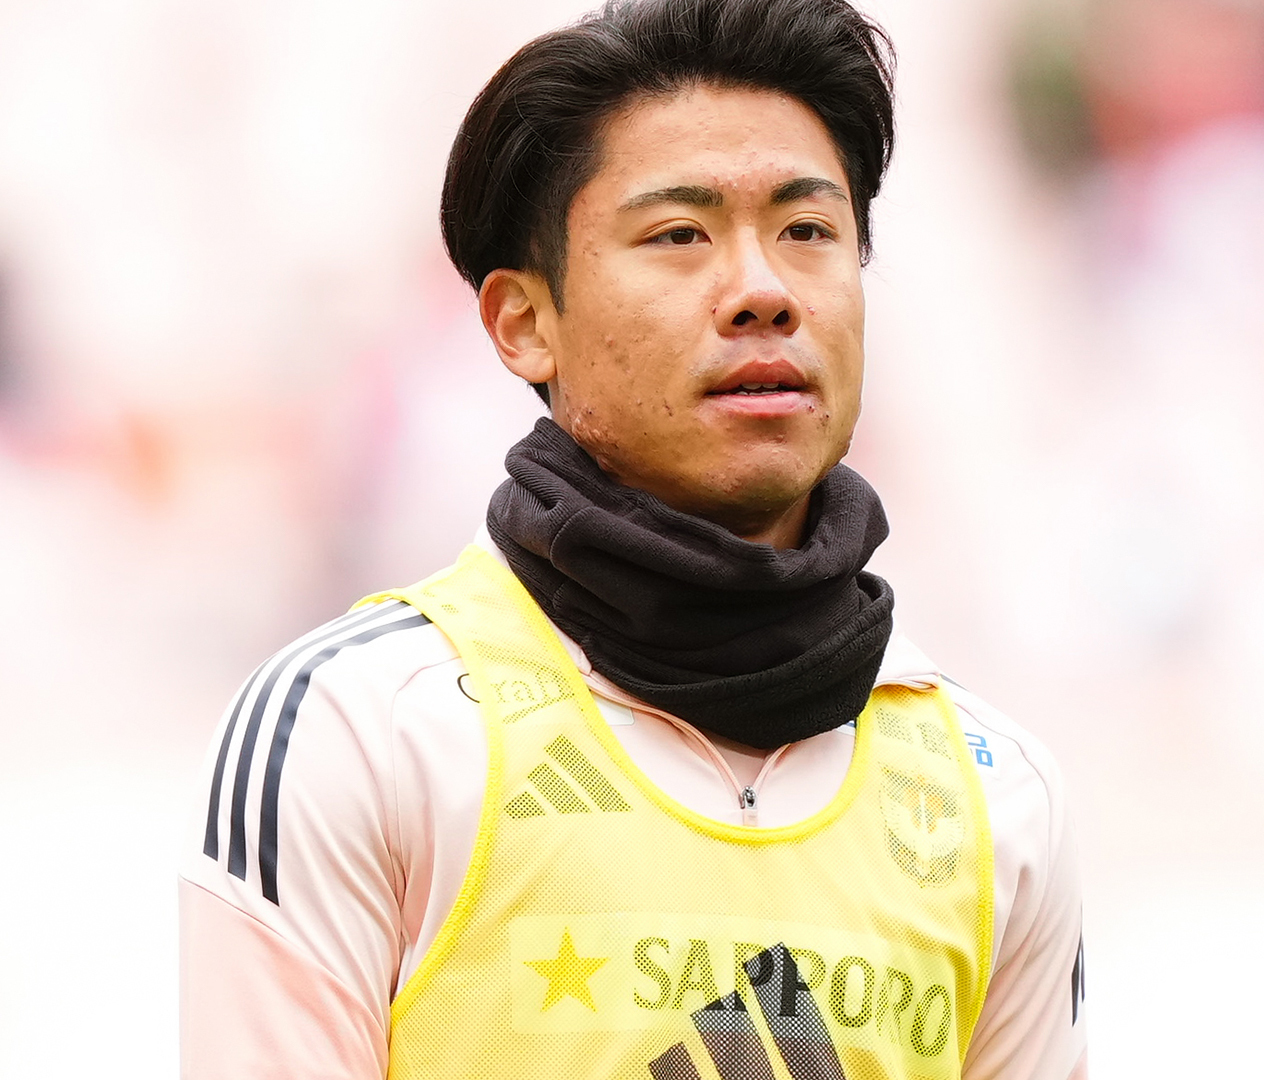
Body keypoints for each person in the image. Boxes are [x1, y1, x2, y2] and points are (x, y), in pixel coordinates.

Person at [178, 2, 1087, 1076]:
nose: (762, 292)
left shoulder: (996, 794)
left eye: (807, 231)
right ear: (525, 324)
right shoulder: (363, 730)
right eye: (679, 236)